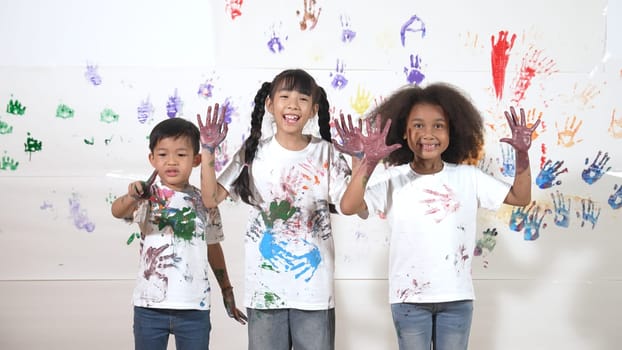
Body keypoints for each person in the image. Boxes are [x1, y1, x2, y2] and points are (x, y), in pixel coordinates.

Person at [334, 82, 540, 350]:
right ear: (404, 134)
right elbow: (349, 206)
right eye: (418, 125)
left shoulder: (469, 177)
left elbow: (520, 198)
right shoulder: (393, 179)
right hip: (408, 299)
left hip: (457, 298)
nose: (428, 134)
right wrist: (368, 162)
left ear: (451, 132)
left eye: (438, 125)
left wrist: (522, 155)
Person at [197, 69, 351, 350]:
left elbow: (349, 205)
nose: (293, 105)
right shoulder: (254, 151)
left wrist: (366, 163)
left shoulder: (325, 152)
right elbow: (210, 198)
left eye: (302, 99)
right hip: (265, 289)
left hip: (314, 291)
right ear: (270, 104)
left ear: (314, 110)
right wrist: (207, 150)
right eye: (285, 96)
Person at [111, 117, 247, 350]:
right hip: (149, 307)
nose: (172, 161)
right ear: (152, 159)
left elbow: (213, 247)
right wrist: (134, 195)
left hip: (194, 307)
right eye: (163, 154)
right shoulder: (147, 196)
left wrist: (227, 289)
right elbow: (117, 210)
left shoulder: (206, 201)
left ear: (196, 160)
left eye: (181, 155)